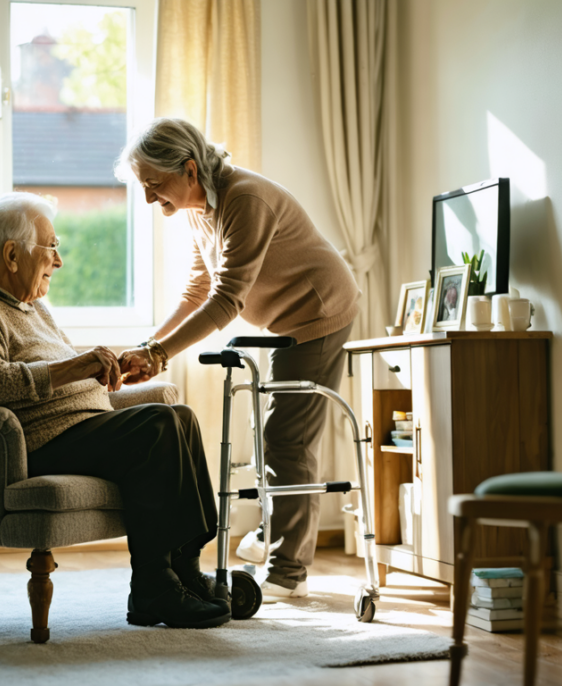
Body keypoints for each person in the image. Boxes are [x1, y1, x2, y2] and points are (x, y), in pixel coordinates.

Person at [0, 192, 229, 629]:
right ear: (12, 254)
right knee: (158, 424)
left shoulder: (29, 305)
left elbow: (59, 370)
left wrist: (101, 372)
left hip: (76, 427)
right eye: (51, 246)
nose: (58, 261)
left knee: (180, 417)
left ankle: (185, 570)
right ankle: (153, 587)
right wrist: (78, 365)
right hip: (35, 440)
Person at [116, 118, 360, 602]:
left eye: (154, 185)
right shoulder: (196, 207)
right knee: (269, 434)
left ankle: (288, 570)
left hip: (320, 311)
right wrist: (150, 346)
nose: (148, 199)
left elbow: (227, 300)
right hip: (284, 321)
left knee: (286, 438)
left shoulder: (244, 199)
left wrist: (160, 353)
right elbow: (199, 287)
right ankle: (275, 533)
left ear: (188, 169)